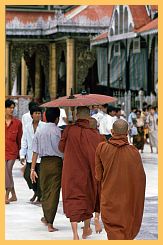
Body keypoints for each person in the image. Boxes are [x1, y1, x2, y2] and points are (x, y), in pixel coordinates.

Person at [95, 119, 146, 240]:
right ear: (127, 133)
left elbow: (98, 176)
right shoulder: (134, 152)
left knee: (113, 233)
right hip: (128, 202)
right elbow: (140, 179)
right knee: (126, 232)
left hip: (109, 199)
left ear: (112, 131)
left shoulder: (101, 148)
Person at [59, 106, 104, 240]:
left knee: (74, 199)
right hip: (89, 171)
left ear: (77, 114)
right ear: (89, 116)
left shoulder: (69, 130)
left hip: (72, 172)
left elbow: (61, 148)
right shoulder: (95, 134)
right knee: (87, 198)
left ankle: (75, 234)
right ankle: (86, 227)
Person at [30, 107, 63, 232]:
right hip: (57, 163)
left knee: (45, 190)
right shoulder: (59, 132)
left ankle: (47, 217)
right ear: (57, 118)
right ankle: (50, 222)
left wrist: (32, 169)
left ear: (45, 117)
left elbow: (35, 151)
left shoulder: (39, 131)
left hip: (43, 163)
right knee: (54, 191)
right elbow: (63, 151)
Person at [20, 106, 45, 203]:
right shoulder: (27, 127)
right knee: (27, 175)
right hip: (30, 156)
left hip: (41, 157)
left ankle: (39, 195)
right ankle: (36, 192)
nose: (38, 115)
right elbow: (24, 141)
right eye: (36, 113)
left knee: (40, 178)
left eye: (39, 113)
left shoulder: (44, 126)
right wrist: (22, 155)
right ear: (31, 115)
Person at [5, 99, 22, 204]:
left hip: (12, 151)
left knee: (6, 171)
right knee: (8, 173)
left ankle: (6, 195)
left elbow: (19, 139)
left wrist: (20, 153)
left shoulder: (17, 123)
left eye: (13, 107)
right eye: (9, 107)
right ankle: (14, 195)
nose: (12, 109)